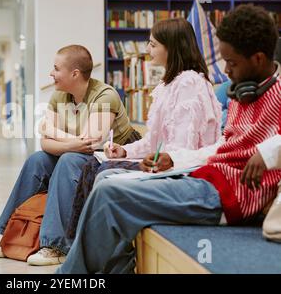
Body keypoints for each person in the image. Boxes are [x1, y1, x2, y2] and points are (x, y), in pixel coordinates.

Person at [57, 4, 281, 274]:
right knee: (106, 180)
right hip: (208, 178)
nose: (227, 72)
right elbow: (219, 147)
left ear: (257, 59)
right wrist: (173, 158)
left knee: (109, 192)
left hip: (229, 196)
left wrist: (268, 152)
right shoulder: (242, 94)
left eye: (232, 63)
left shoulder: (275, 95)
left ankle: (67, 277)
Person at [67, 18, 222, 239]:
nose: (147, 49)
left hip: (182, 169)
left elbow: (180, 148)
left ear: (172, 47)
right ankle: (84, 245)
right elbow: (153, 142)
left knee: (100, 171)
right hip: (166, 161)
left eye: (153, 44)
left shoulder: (190, 83)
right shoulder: (167, 85)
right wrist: (125, 151)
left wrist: (151, 159)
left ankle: (90, 246)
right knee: (93, 165)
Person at [0, 44, 141, 266]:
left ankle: (56, 246)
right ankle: (11, 237)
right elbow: (46, 144)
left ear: (75, 74)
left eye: (55, 68)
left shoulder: (105, 95)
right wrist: (69, 141)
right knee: (37, 161)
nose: (51, 74)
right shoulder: (59, 96)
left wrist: (51, 131)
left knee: (68, 161)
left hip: (110, 158)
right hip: (79, 154)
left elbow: (91, 143)